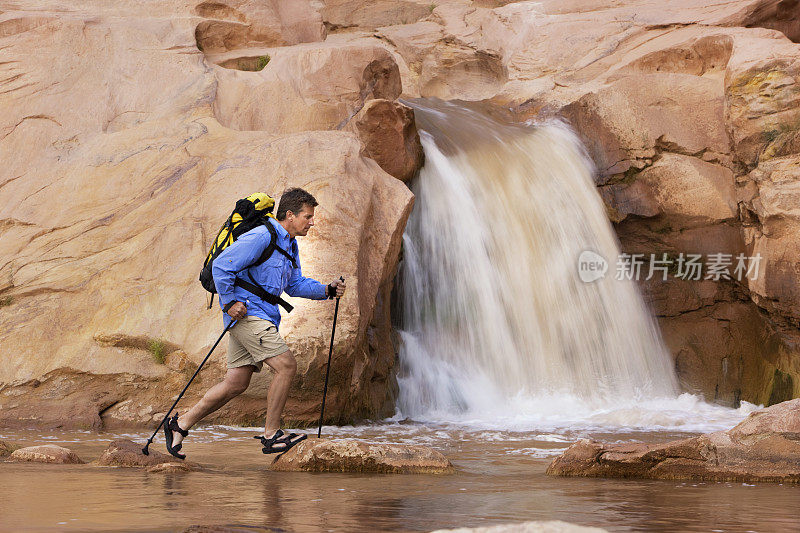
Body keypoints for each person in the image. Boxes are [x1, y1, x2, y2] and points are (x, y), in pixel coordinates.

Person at [164, 187, 346, 459]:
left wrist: (327, 290)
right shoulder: (263, 235)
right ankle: (272, 435)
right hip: (248, 314)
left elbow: (294, 285)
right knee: (286, 366)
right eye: (307, 216)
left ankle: (180, 424)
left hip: (264, 315)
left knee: (236, 383)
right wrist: (227, 303)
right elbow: (222, 265)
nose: (311, 222)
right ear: (290, 215)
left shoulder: (289, 244)